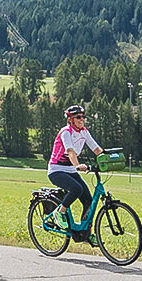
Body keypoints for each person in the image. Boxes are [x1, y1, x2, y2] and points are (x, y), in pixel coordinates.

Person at [48, 102, 104, 239]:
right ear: (70, 119)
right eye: (78, 117)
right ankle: (60, 213)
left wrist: (109, 159)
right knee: (76, 189)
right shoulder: (66, 132)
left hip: (71, 170)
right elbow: (71, 151)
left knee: (88, 200)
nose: (81, 119)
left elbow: (97, 149)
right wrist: (78, 165)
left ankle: (84, 233)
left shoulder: (84, 132)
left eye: (83, 116)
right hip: (56, 170)